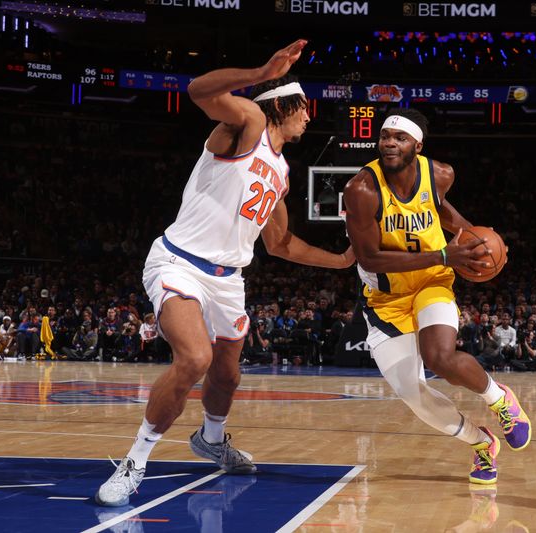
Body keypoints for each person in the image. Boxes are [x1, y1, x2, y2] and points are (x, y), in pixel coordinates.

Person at [96, 39, 354, 506]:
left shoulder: (282, 169)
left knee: (227, 376)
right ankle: (135, 461)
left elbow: (281, 243)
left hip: (228, 278)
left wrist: (341, 261)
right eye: (305, 109)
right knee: (194, 359)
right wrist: (261, 70)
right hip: (178, 263)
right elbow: (197, 89)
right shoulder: (248, 124)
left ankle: (210, 440)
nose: (310, 117)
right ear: (283, 105)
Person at [343, 108, 531, 485]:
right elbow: (368, 257)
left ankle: (500, 400)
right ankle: (482, 443)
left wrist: (479, 244)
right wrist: (445, 253)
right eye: (385, 137)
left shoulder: (439, 173)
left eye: (400, 138)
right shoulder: (361, 190)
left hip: (431, 281)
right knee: (415, 396)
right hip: (385, 299)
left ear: (418, 145)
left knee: (439, 356)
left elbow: (443, 212)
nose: (390, 144)